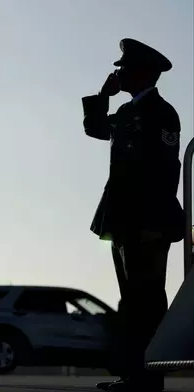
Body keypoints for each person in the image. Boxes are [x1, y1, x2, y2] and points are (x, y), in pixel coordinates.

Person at [82, 39, 184, 392]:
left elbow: (166, 173)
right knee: (131, 300)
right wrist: (103, 94)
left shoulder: (161, 113)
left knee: (148, 300)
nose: (118, 72)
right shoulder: (127, 113)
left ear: (142, 72)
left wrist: (152, 225)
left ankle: (149, 377)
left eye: (124, 68)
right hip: (123, 222)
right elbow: (94, 128)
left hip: (147, 224)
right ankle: (134, 375)